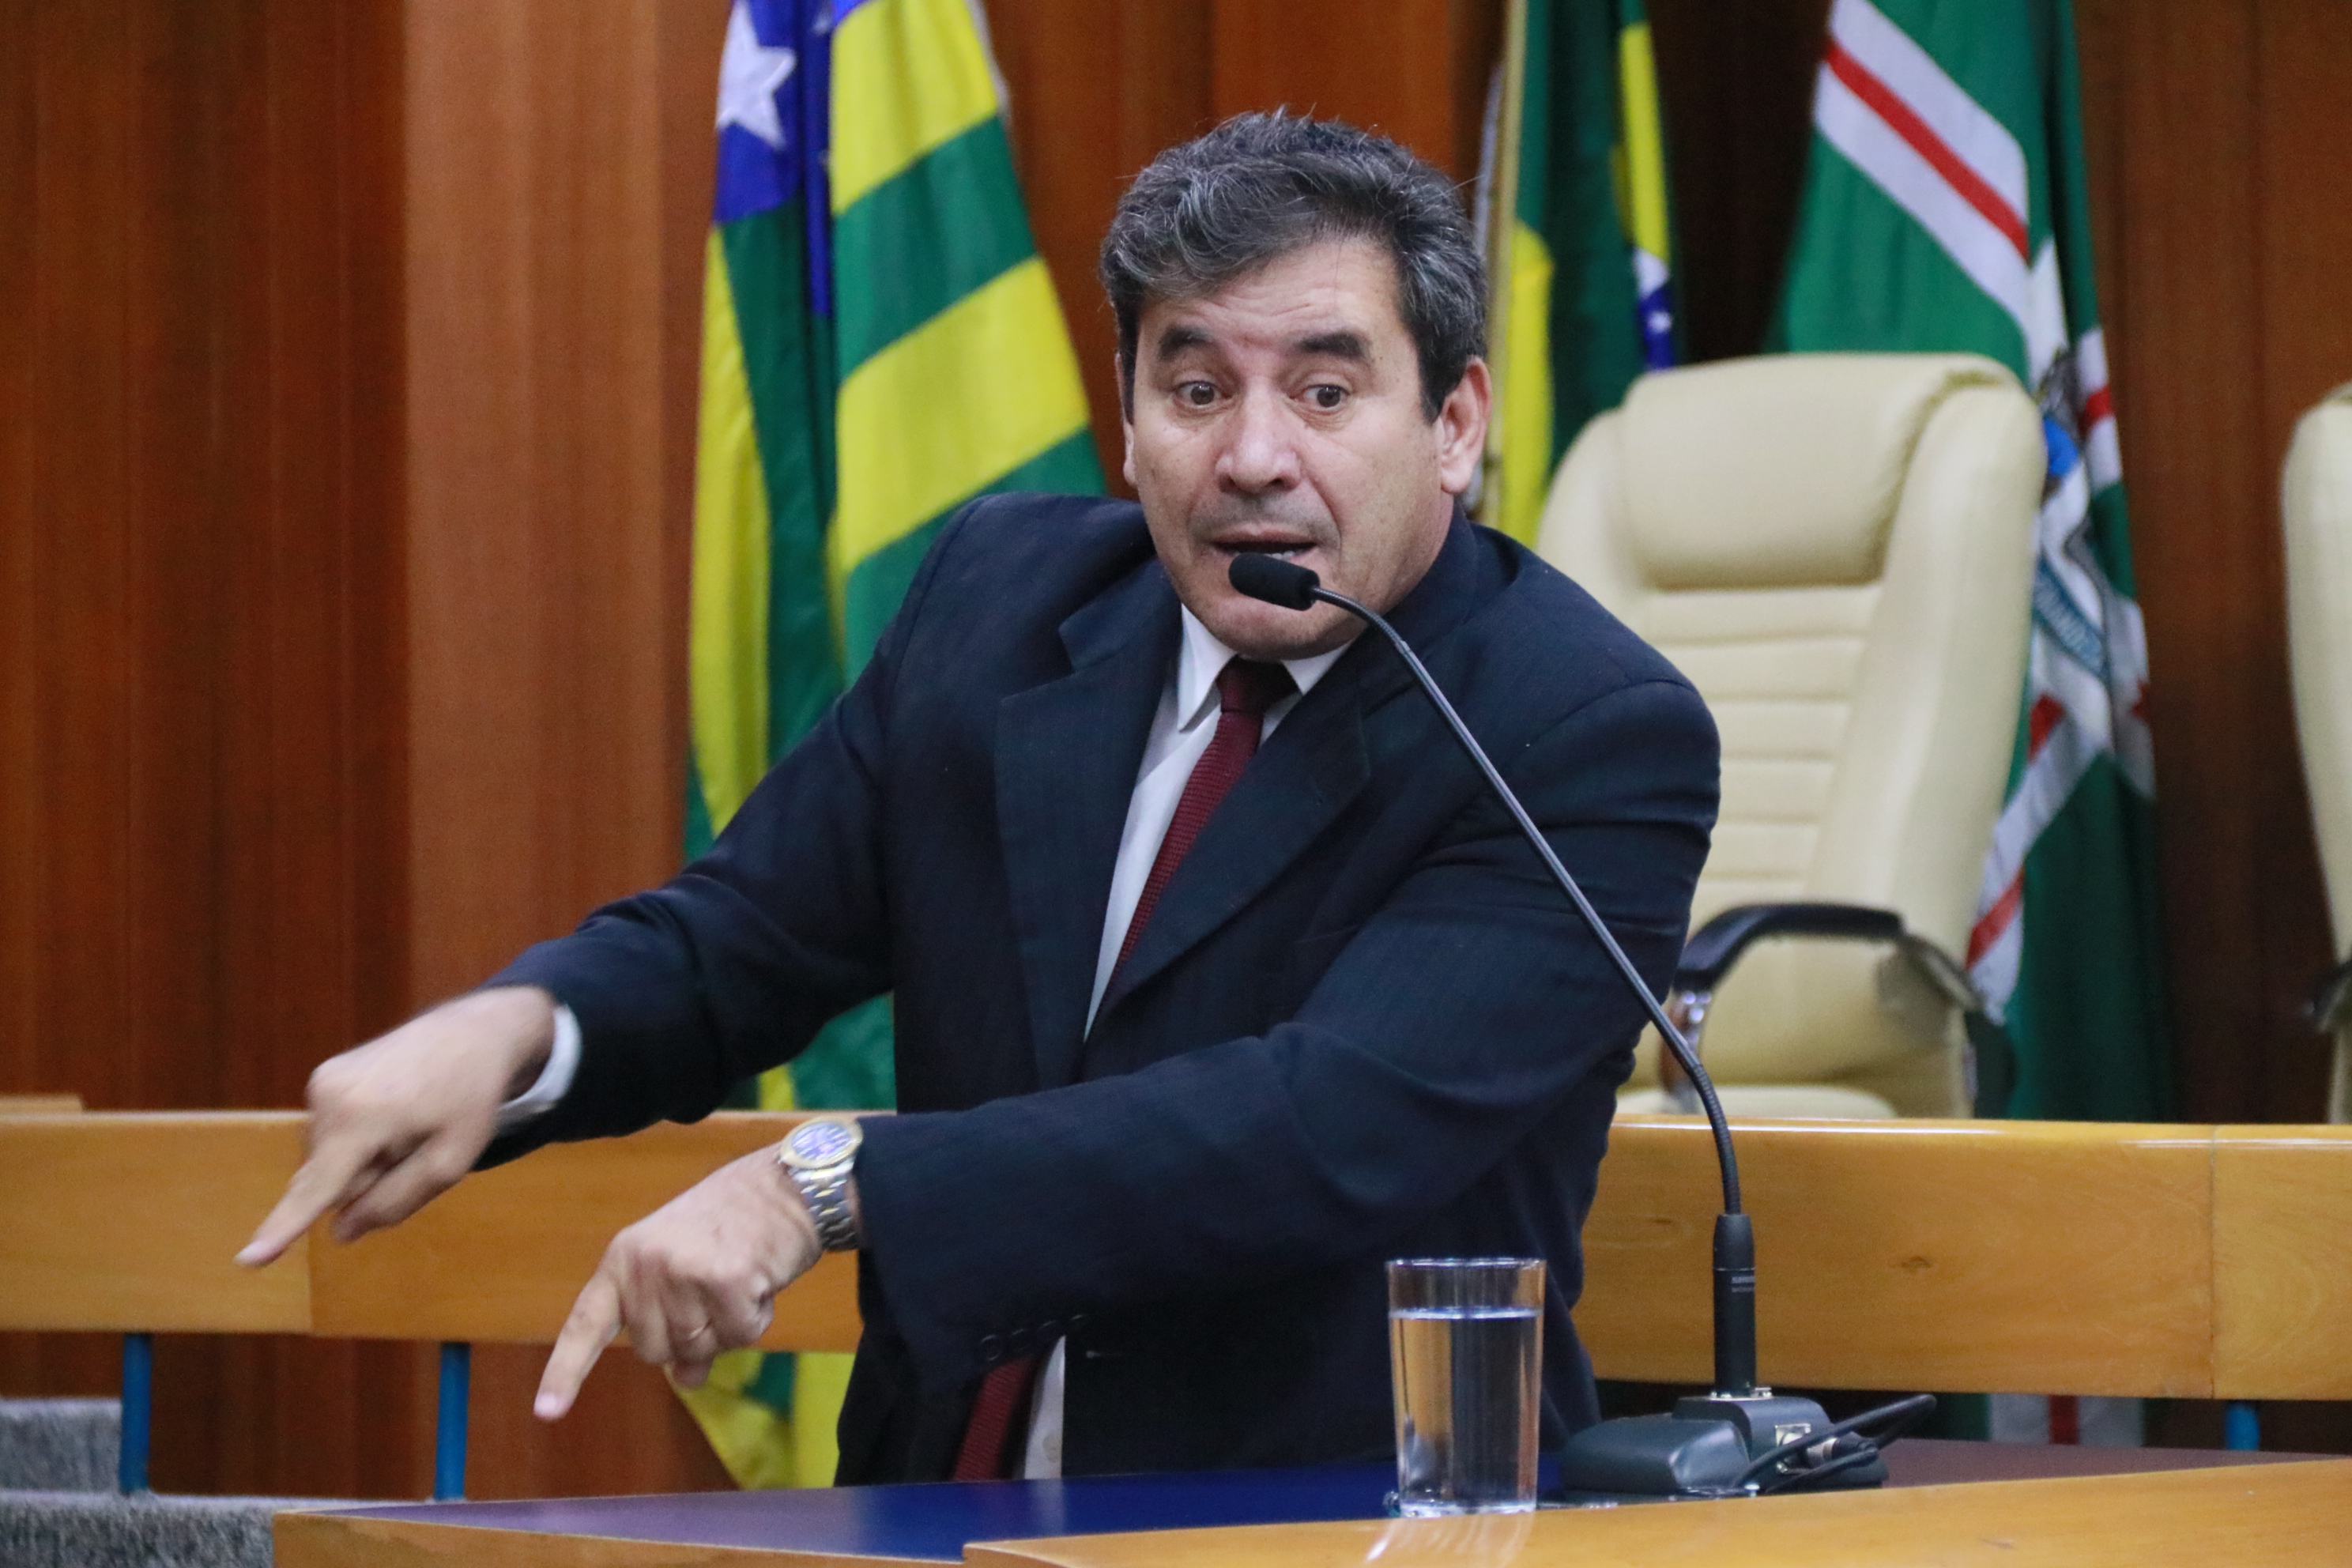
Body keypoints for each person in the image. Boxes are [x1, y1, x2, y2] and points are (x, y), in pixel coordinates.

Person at [239, 112, 1718, 1484]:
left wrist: (826, 1186)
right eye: (1196, 390)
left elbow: (1321, 1126)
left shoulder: (1584, 728)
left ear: (1455, 423)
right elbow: (751, 932)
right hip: (935, 1503)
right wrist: (520, 1028)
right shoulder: (1003, 599)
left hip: (1334, 1513)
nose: (1254, 458)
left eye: (1325, 393)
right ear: (1128, 420)